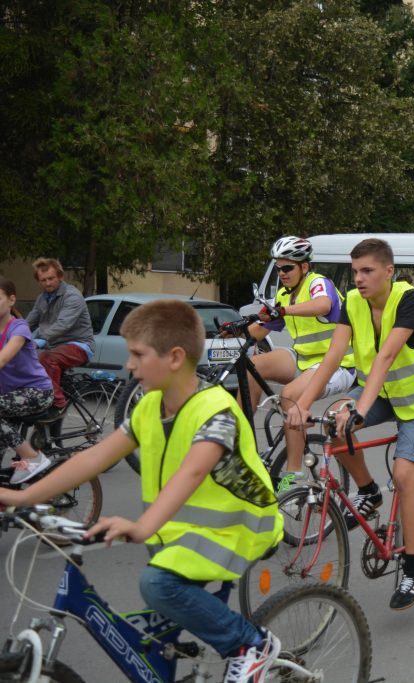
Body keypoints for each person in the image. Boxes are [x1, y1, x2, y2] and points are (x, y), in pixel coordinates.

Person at [0, 300, 285, 682]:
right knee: (152, 637)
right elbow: (94, 458)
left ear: (175, 357)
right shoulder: (150, 406)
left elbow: (194, 470)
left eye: (137, 354)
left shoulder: (216, 411)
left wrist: (144, 525)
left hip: (237, 533)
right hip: (186, 537)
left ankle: (251, 645)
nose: (129, 365)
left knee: (158, 585)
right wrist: (21, 498)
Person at [287, 238, 414, 610]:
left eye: (367, 271)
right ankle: (369, 491)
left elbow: (387, 356)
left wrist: (359, 407)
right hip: (383, 393)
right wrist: (303, 402)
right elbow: (332, 357)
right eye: (355, 271)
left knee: (406, 475)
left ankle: (412, 569)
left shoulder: (407, 299)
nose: (358, 279)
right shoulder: (354, 302)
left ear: (388, 271)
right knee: (333, 424)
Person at [225, 236, 356, 492]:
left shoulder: (318, 283)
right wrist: (236, 331)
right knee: (254, 365)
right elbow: (260, 330)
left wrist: (284, 311)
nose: (281, 273)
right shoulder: (285, 294)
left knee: (290, 395)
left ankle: (293, 474)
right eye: (278, 268)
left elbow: (324, 304)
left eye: (287, 268)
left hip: (338, 365)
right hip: (305, 361)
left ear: (304, 267)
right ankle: (239, 445)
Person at [0, 276, 56, 484]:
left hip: (36, 393)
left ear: (12, 300)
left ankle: (32, 458)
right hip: (9, 397)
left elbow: (3, 358)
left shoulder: (19, 328)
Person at [24, 258, 95, 410]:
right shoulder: (42, 298)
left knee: (47, 358)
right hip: (55, 347)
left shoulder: (72, 296)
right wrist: (11, 336)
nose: (47, 283)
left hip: (79, 345)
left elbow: (62, 325)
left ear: (60, 277)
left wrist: (38, 341)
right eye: (43, 280)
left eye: (51, 278)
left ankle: (56, 405)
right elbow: (28, 323)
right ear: (38, 281)